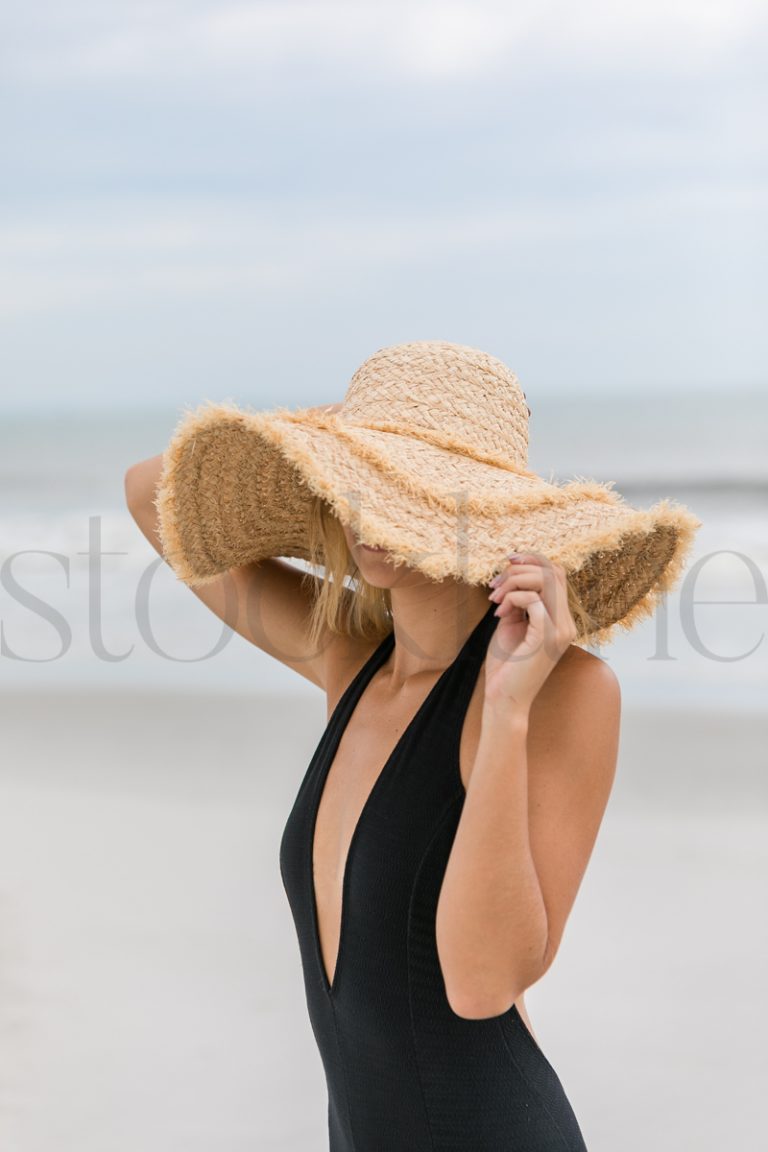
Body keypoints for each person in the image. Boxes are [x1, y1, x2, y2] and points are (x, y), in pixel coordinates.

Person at [125, 341, 701, 1150]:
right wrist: (335, 437)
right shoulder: (348, 660)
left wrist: (505, 710)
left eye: (415, 484)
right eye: (366, 477)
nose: (377, 504)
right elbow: (151, 491)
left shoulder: (568, 695)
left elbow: (479, 984)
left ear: (489, 509)